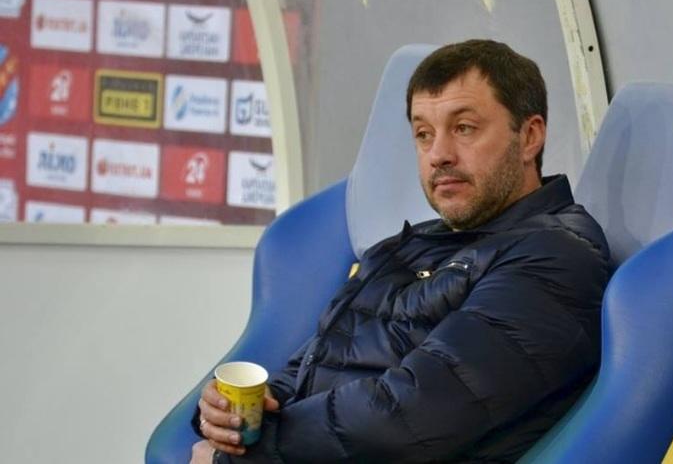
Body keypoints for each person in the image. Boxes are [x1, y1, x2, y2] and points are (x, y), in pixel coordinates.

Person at [191, 39, 610, 464]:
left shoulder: (555, 258)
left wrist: (246, 454)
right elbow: (312, 364)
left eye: (464, 128)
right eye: (424, 135)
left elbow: (407, 415)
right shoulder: (411, 245)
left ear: (529, 137)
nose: (438, 155)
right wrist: (232, 418)